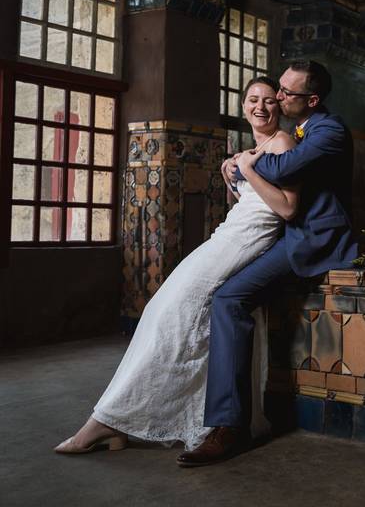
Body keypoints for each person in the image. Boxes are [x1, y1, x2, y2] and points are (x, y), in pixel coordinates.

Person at [55, 76, 298, 454]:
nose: (260, 107)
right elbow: (251, 204)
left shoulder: (283, 143)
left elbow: (285, 208)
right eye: (252, 99)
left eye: (268, 100)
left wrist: (247, 172)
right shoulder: (256, 146)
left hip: (245, 244)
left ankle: (106, 422)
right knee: (162, 312)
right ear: (243, 105)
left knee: (173, 312)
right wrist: (231, 181)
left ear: (279, 106)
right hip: (227, 237)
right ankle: (117, 421)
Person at [177, 59, 357, 467]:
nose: (277, 97)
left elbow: (282, 167)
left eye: (286, 93)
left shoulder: (329, 130)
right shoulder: (299, 129)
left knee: (229, 300)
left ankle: (229, 428)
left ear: (312, 100)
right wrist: (244, 162)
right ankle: (227, 419)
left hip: (314, 242)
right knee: (219, 294)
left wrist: (245, 160)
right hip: (287, 237)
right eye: (277, 88)